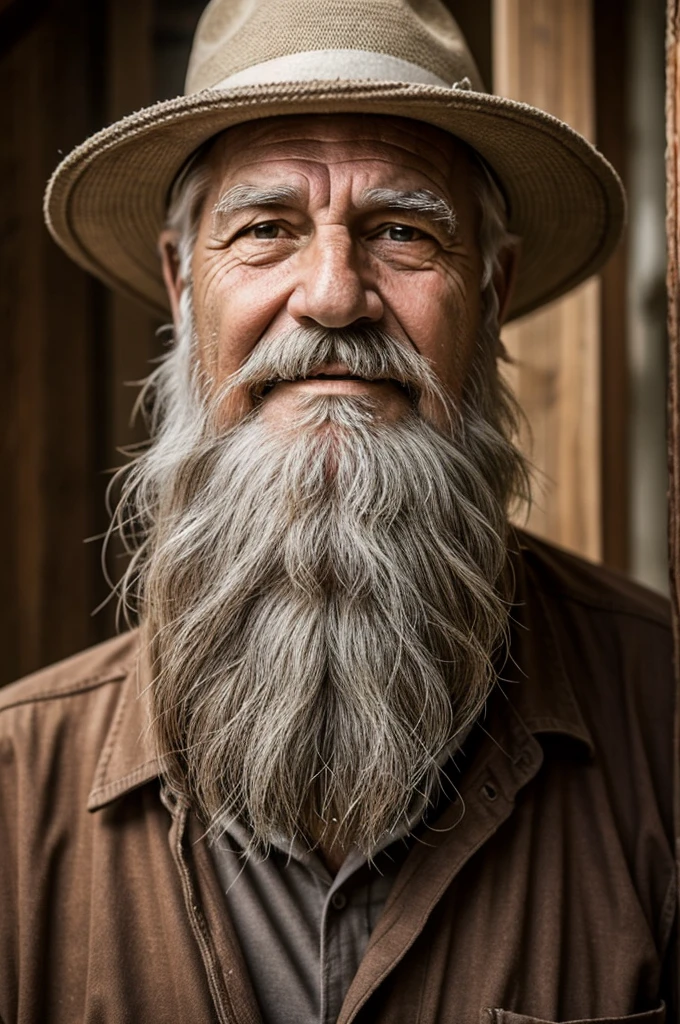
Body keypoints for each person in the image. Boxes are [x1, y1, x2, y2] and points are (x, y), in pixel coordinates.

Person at [1, 0, 676, 1021]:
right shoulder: (14, 796)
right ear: (183, 286)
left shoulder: (662, 722)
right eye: (266, 229)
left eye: (400, 232)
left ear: (488, 294)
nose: (330, 294)